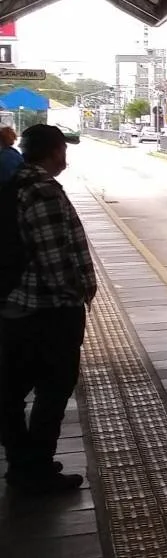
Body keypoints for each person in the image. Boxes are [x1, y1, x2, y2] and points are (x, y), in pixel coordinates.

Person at [0, 124, 94, 493]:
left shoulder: (18, 183)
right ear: (55, 151)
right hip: (47, 310)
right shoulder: (42, 190)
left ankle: (24, 463)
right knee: (53, 389)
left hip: (19, 307)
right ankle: (33, 467)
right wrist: (78, 293)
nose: (65, 156)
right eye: (63, 149)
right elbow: (55, 258)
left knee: (14, 388)